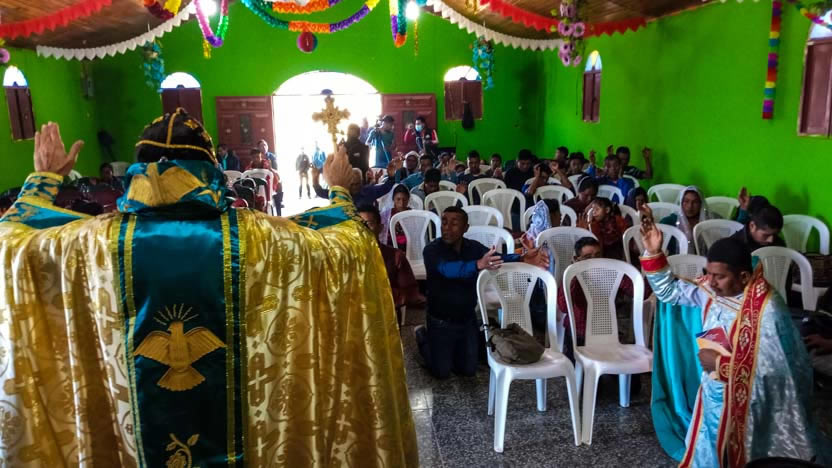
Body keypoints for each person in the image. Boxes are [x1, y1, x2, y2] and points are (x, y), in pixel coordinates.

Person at [0, 114, 418, 466]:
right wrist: (340, 188)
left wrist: (43, 180)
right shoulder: (264, 240)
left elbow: (11, 243)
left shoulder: (88, 245)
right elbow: (349, 244)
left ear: (139, 169)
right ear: (210, 168)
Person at [639, 209, 829, 467]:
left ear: (743, 276)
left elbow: (776, 370)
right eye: (709, 273)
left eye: (719, 276)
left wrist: (720, 365)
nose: (711, 282)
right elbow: (670, 292)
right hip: (714, 390)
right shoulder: (712, 289)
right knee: (712, 444)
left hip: (752, 404)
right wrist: (653, 252)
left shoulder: (767, 309)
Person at [416, 206, 549, 378]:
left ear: (465, 228)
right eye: (444, 222)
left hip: (467, 319)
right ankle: (422, 337)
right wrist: (478, 264)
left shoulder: (473, 247)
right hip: (440, 321)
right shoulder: (432, 250)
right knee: (441, 372)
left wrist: (523, 258)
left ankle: (456, 350)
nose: (447, 228)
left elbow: (497, 257)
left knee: (467, 371)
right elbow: (448, 269)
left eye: (454, 223)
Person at [556, 237, 647, 361]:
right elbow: (563, 307)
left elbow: (642, 292)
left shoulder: (610, 272)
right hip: (579, 333)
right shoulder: (572, 276)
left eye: (598, 255)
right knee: (580, 367)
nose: (594, 261)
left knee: (617, 365)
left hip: (606, 332)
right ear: (577, 259)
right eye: (588, 257)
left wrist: (649, 265)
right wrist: (574, 275)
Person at [358, 204, 425, 311]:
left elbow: (410, 293)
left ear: (380, 228)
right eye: (359, 225)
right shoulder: (347, 258)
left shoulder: (395, 256)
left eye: (369, 224)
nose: (363, 229)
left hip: (387, 313)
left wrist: (379, 294)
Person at [312, 156, 400, 208]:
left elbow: (386, 187)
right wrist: (315, 179)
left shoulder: (369, 191)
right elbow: (321, 192)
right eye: (351, 184)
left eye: (357, 184)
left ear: (361, 181)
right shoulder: (340, 194)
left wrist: (391, 175)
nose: (354, 187)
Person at [659, 186, 717, 255]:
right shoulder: (669, 222)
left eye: (695, 202)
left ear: (701, 204)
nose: (690, 206)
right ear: (681, 203)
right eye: (686, 201)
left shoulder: (710, 220)